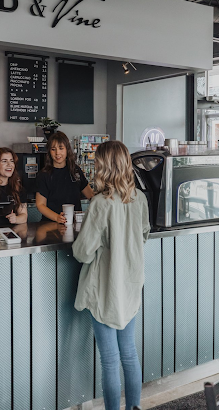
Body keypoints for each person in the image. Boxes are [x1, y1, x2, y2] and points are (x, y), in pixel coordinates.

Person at [72, 140, 150, 410]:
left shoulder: (100, 203)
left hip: (105, 288)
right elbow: (144, 234)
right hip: (130, 285)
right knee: (129, 354)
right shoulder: (140, 198)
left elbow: (82, 252)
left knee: (109, 359)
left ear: (103, 166)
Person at [36, 131, 93, 223]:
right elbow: (40, 204)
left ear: (67, 149)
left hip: (74, 223)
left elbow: (91, 195)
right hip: (50, 225)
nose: (57, 153)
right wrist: (56, 217)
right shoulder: (44, 174)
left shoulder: (75, 170)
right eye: (53, 149)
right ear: (49, 152)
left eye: (61, 148)